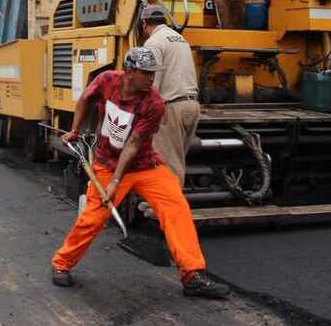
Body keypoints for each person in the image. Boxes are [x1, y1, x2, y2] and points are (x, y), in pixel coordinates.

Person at [51, 47, 229, 299]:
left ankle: (193, 275)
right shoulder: (106, 80)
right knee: (93, 217)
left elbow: (133, 144)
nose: (152, 78)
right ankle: (62, 263)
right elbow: (85, 100)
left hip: (145, 165)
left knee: (176, 207)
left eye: (154, 73)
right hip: (106, 162)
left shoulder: (154, 103)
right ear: (129, 72)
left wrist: (115, 181)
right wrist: (75, 129)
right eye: (146, 73)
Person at [141, 5, 199, 185]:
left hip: (172, 108)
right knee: (178, 159)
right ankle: (165, 204)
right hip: (192, 106)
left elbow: (152, 83)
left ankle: (168, 208)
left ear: (144, 24)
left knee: (168, 164)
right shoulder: (180, 39)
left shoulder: (154, 43)